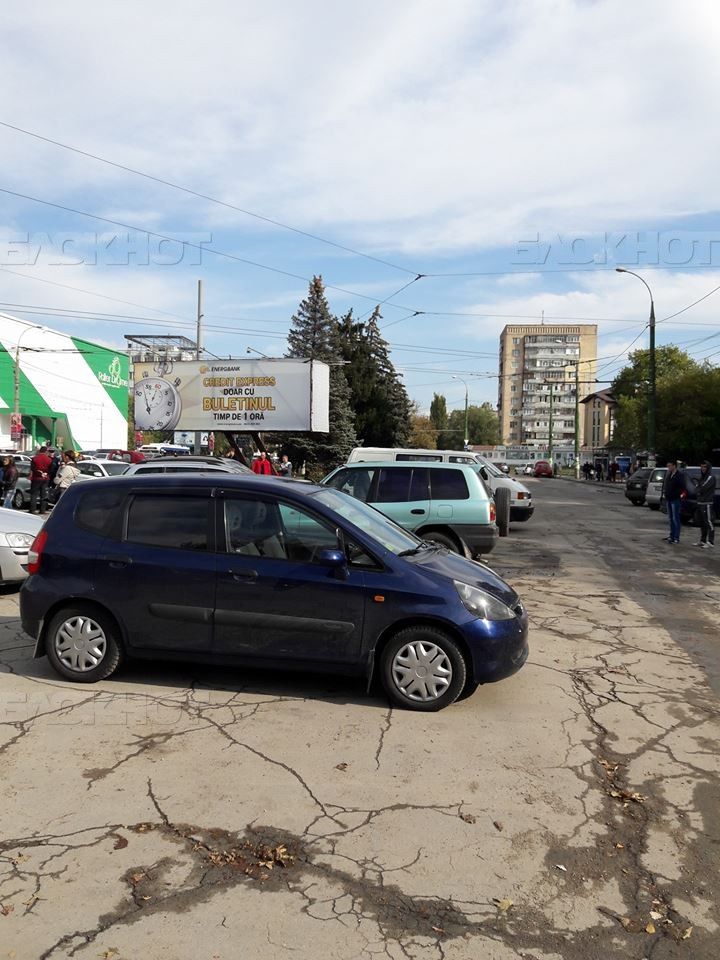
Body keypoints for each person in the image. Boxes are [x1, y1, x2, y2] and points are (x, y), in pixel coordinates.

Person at [693, 461, 716, 548]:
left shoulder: (710, 477)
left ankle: (711, 542)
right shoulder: (702, 477)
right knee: (702, 522)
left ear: (708, 468)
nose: (703, 469)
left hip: (707, 503)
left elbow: (702, 488)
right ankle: (702, 541)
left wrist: (698, 489)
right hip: (700, 502)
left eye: (705, 467)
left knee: (709, 522)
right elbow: (697, 489)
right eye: (702, 467)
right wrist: (698, 489)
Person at [663, 460, 685, 545]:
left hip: (675, 499)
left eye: (670, 466)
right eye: (668, 466)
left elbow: (682, 487)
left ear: (674, 466)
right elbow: (667, 485)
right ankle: (671, 535)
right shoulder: (669, 474)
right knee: (670, 518)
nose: (668, 467)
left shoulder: (679, 475)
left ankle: (676, 537)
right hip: (668, 499)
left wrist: (675, 495)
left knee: (676, 518)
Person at [30, 445, 53, 515]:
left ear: (39, 451)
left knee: (34, 494)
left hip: (36, 478)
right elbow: (51, 469)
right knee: (44, 495)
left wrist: (39, 473)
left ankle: (33, 510)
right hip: (45, 478)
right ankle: (42, 510)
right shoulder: (49, 459)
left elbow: (32, 468)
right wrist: (46, 473)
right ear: (46, 451)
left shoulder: (34, 458)